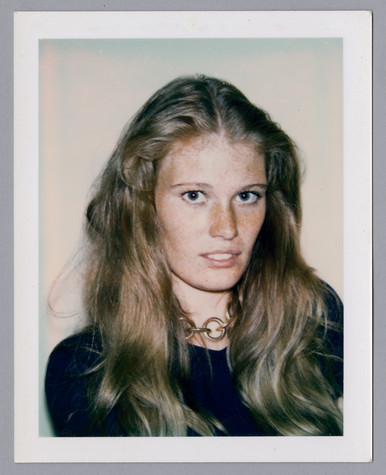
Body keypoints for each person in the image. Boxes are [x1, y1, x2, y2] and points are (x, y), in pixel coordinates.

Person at [45, 75, 343, 437]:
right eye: (194, 195)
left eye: (247, 196)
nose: (227, 227)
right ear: (143, 205)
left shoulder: (316, 318)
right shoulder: (86, 372)